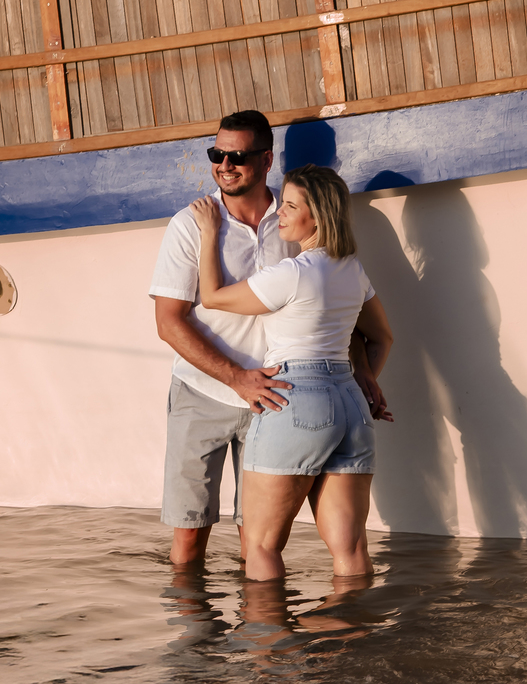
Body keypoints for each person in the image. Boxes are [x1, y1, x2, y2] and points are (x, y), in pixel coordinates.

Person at [150, 111, 388, 567]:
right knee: (189, 535)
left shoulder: (292, 220)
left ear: (265, 159)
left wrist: (360, 369)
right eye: (216, 154)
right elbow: (168, 322)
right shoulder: (190, 224)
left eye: (236, 156)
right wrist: (237, 377)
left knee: (254, 541)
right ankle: (197, 639)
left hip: (280, 398)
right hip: (206, 393)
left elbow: (336, 314)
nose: (224, 164)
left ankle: (258, 634)